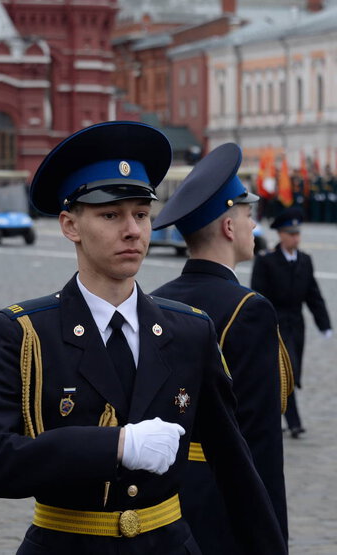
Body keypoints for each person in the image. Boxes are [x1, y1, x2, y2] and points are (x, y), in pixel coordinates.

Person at [0, 121, 287, 555]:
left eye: (141, 214)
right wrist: (113, 445)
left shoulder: (189, 329)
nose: (132, 230)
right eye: (111, 215)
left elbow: (235, 466)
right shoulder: (26, 332)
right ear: (70, 226)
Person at [151, 143, 290, 554]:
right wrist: (272, 537)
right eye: (248, 215)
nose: (253, 226)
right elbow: (258, 441)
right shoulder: (248, 310)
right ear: (229, 228)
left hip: (165, 502)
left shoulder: (154, 300)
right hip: (226, 507)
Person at [251, 206, 332, 439]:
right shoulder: (266, 261)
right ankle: (294, 422)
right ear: (281, 235)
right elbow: (258, 296)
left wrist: (324, 324)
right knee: (287, 371)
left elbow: (313, 295)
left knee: (289, 373)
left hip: (297, 325)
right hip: (274, 325)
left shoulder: (305, 260)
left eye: (298, 233)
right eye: (291, 233)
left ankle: (275, 415)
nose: (295, 237)